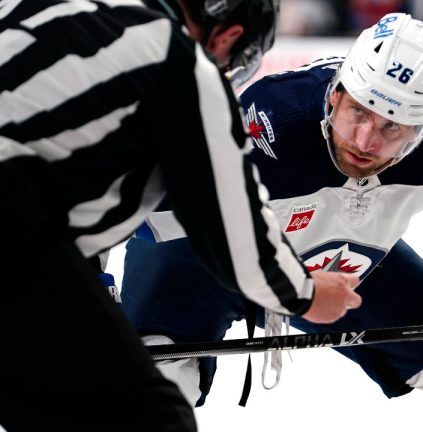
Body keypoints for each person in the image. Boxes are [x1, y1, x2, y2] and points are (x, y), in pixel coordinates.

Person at [120, 12, 423, 432]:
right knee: (148, 397)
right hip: (206, 255)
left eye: (392, 127)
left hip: (343, 261)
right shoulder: (268, 126)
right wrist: (79, 291)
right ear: (335, 93)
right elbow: (95, 198)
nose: (365, 141)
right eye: (359, 112)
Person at [0, 0, 361, 430]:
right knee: (151, 417)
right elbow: (234, 230)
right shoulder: (184, 66)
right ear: (227, 36)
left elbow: (51, 162)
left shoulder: (44, 6)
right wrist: (307, 294)